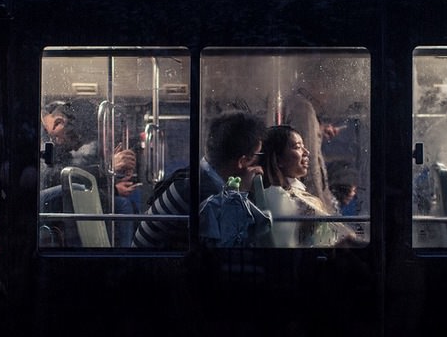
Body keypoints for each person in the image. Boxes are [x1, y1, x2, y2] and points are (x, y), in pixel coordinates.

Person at [132, 110, 266, 249]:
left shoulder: (197, 177)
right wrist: (241, 193)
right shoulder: (203, 193)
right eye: (258, 154)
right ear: (243, 161)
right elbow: (228, 248)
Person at [40, 99, 138, 245]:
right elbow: (55, 177)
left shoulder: (65, 147)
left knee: (121, 204)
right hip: (39, 200)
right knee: (119, 205)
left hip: (62, 190)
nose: (74, 147)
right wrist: (108, 168)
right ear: (58, 122)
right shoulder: (43, 139)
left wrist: (113, 181)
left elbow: (78, 174)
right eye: (73, 137)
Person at [259, 125, 355, 247]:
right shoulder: (279, 196)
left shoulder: (293, 191)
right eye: (297, 147)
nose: (306, 152)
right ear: (279, 160)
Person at [282, 88, 339, 211]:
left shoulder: (298, 105)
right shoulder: (303, 109)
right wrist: (318, 206)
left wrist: (319, 130)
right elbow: (310, 163)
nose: (328, 96)